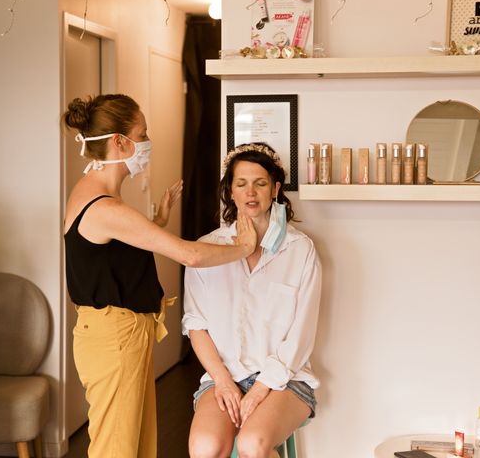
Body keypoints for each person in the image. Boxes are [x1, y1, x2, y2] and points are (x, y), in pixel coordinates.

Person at [62, 93, 257, 458]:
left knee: (135, 444)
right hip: (114, 337)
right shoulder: (106, 207)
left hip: (115, 334)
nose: (147, 142)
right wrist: (244, 248)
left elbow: (110, 252)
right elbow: (190, 255)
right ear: (120, 141)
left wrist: (158, 222)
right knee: (116, 449)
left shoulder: (91, 192)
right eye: (143, 132)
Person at [183, 142, 322, 458]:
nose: (251, 192)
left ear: (274, 189)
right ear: (230, 191)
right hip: (224, 375)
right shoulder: (207, 249)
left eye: (260, 183)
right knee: (204, 447)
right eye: (241, 183)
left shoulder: (300, 250)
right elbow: (196, 326)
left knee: (252, 444)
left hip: (284, 381)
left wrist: (260, 390)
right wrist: (223, 382)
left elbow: (300, 337)